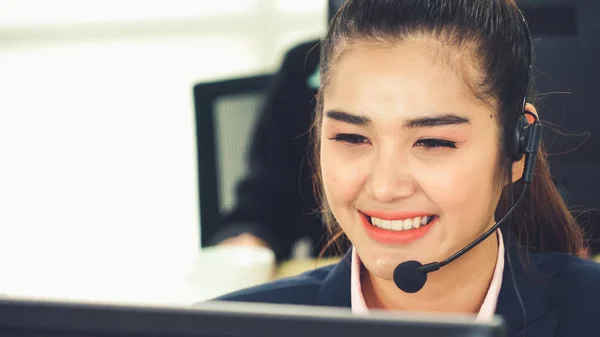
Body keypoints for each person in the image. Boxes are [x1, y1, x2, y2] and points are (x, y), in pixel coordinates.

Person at [211, 0, 600, 335]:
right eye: (352, 138)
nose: (384, 187)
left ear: (518, 148)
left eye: (433, 142)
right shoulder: (226, 327)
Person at [207, 3, 344, 262]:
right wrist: (248, 248)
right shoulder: (303, 68)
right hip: (340, 285)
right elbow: (267, 203)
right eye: (353, 138)